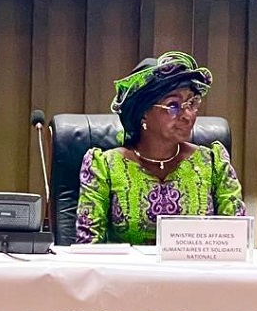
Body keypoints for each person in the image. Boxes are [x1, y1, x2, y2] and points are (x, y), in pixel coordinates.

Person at [75, 50, 245, 245]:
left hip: (198, 266)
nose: (188, 115)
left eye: (192, 103)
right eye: (173, 105)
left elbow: (236, 240)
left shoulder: (213, 163)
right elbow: (87, 246)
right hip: (128, 266)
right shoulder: (105, 166)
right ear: (143, 113)